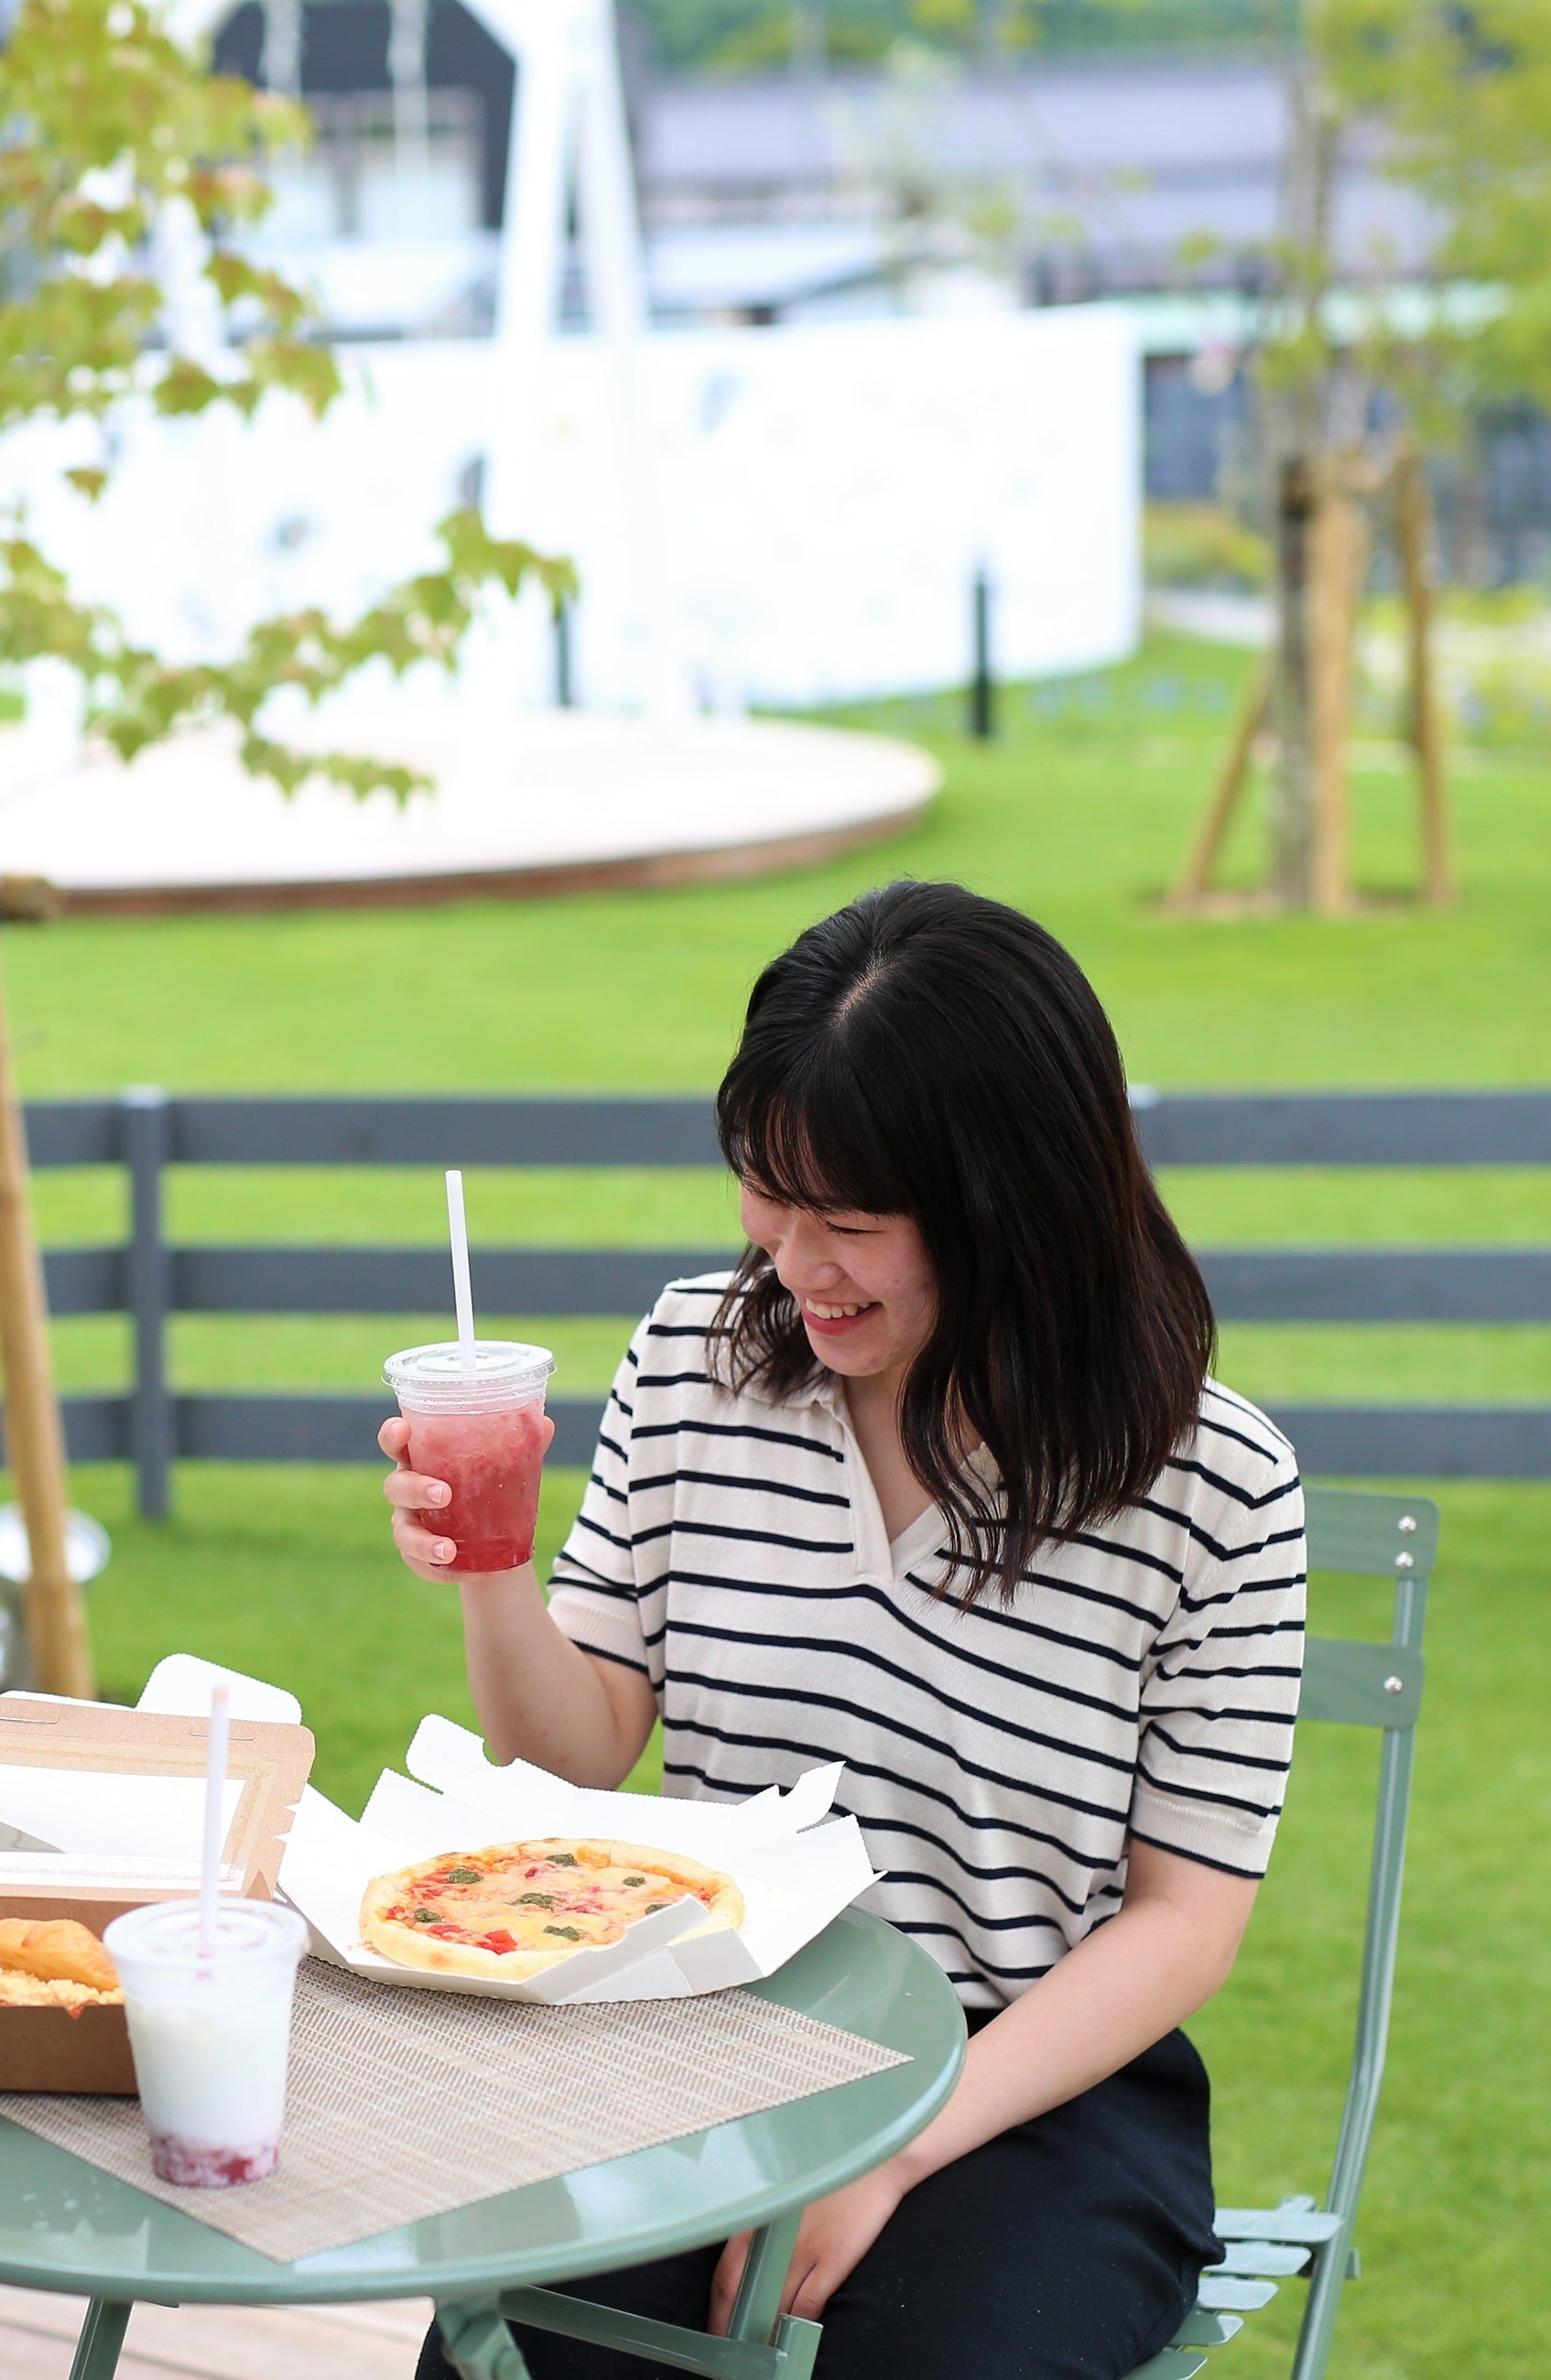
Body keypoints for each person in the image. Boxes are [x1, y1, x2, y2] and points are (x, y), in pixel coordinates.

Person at [382, 882, 1306, 2380]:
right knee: (520, 2353)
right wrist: (491, 1566)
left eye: (852, 1224)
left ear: (1014, 1208)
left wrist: (892, 2147)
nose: (794, 1261)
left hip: (1027, 2084)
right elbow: (577, 1753)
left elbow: (1186, 1919)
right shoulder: (695, 1362)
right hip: (707, 2033)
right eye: (766, 1194)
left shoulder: (1216, 1485)